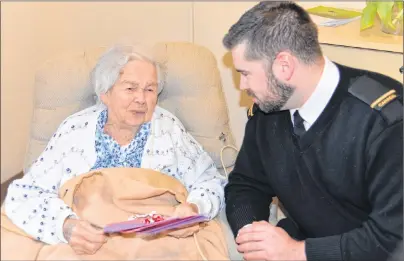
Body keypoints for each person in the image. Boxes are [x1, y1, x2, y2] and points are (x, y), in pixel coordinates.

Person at [222, 1, 403, 261]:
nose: (242, 86)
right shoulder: (268, 111)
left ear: (284, 66)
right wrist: (253, 235)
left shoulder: (385, 120)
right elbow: (246, 184)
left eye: (246, 73)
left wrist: (296, 252)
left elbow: (393, 239)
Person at [4, 45, 227, 255]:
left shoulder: (168, 128)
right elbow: (25, 193)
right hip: (92, 242)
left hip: (153, 242)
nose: (141, 99)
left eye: (150, 89)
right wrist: (65, 226)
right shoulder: (74, 130)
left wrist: (194, 208)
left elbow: (210, 180)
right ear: (105, 93)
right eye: (130, 88)